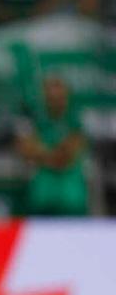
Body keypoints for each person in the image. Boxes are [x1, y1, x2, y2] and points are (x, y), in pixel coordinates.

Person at [16, 77, 89, 217]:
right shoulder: (37, 119)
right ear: (44, 96)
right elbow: (25, 149)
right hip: (42, 195)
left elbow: (66, 156)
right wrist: (54, 153)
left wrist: (42, 153)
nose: (55, 99)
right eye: (50, 95)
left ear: (67, 95)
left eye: (59, 95)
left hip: (72, 197)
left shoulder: (75, 119)